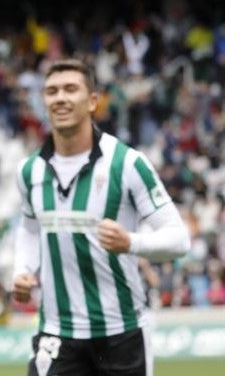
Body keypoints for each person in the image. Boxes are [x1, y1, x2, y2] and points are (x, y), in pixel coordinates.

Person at [11, 59, 190, 376]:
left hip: (121, 333)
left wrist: (130, 243)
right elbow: (28, 229)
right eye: (52, 91)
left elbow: (179, 239)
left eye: (70, 89)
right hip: (57, 332)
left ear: (93, 101)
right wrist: (24, 269)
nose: (60, 98)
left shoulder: (128, 163)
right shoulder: (30, 171)